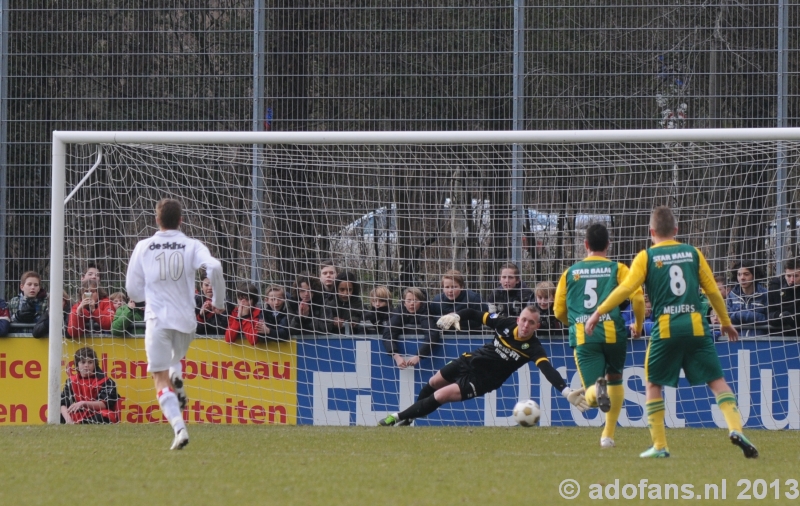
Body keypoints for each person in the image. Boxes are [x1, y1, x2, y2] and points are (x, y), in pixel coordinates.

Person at [585, 206, 757, 459]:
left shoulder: (646, 257)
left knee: (653, 383)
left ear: (651, 232)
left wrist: (598, 312)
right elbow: (712, 291)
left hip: (666, 328)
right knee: (717, 381)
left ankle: (660, 445)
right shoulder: (693, 252)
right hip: (697, 327)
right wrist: (725, 321)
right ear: (676, 230)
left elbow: (626, 290)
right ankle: (736, 428)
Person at [379, 305, 589, 426]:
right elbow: (472, 313)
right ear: (518, 319)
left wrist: (565, 391)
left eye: (531, 323)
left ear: (537, 325)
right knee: (434, 381)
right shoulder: (504, 323)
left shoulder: (533, 348)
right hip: (469, 360)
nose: (525, 326)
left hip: (482, 380)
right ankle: (410, 418)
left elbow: (548, 370)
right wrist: (456, 315)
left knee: (441, 396)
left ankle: (397, 416)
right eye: (524, 320)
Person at [126, 198, 225, 450]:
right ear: (181, 220)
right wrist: (218, 300)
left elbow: (133, 292)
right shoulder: (191, 245)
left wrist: (144, 295)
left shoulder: (144, 246)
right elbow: (214, 265)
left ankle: (179, 429)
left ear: (157, 220)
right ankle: (176, 374)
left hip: (157, 320)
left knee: (160, 379)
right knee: (174, 361)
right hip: (186, 321)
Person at [554, 223, 645, 449]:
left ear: (585, 245)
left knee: (592, 393)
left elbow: (558, 311)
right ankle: (608, 435)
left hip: (586, 337)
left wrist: (576, 323)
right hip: (614, 334)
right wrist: (639, 324)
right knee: (616, 379)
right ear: (608, 245)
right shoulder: (619, 269)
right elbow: (639, 298)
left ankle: (597, 391)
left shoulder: (570, 273)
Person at [382, 288, 441, 369]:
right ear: (404, 302)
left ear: (421, 302)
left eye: (415, 300)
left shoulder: (425, 312)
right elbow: (387, 334)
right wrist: (396, 356)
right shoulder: (399, 311)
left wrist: (419, 356)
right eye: (409, 300)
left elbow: (433, 335)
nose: (412, 303)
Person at [60, 346, 120, 424]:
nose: (86, 365)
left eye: (90, 362)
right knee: (59, 416)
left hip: (98, 412)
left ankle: (80, 424)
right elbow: (63, 403)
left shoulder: (106, 381)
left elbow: (104, 404)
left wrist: (83, 403)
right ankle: (77, 423)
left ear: (95, 365)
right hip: (81, 414)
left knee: (106, 416)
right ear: (77, 365)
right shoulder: (71, 381)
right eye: (83, 362)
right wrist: (68, 420)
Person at [428, 270, 486, 334]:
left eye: (454, 287)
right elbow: (430, 318)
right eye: (447, 287)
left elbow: (481, 320)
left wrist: (457, 318)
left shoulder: (474, 299)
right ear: (443, 288)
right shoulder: (436, 301)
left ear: (461, 287)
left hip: (470, 337)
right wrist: (444, 318)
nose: (450, 290)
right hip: (444, 338)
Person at [726, 260, 769, 337]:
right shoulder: (732, 295)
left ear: (754, 275)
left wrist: (740, 315)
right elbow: (728, 318)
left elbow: (767, 319)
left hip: (760, 340)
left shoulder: (765, 294)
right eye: (739, 274)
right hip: (736, 340)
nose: (742, 278)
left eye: (746, 274)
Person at [768, 258, 800, 336]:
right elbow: (769, 314)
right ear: (784, 274)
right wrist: (780, 315)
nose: (792, 280)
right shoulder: (775, 286)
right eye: (788, 276)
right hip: (779, 336)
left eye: (796, 276)